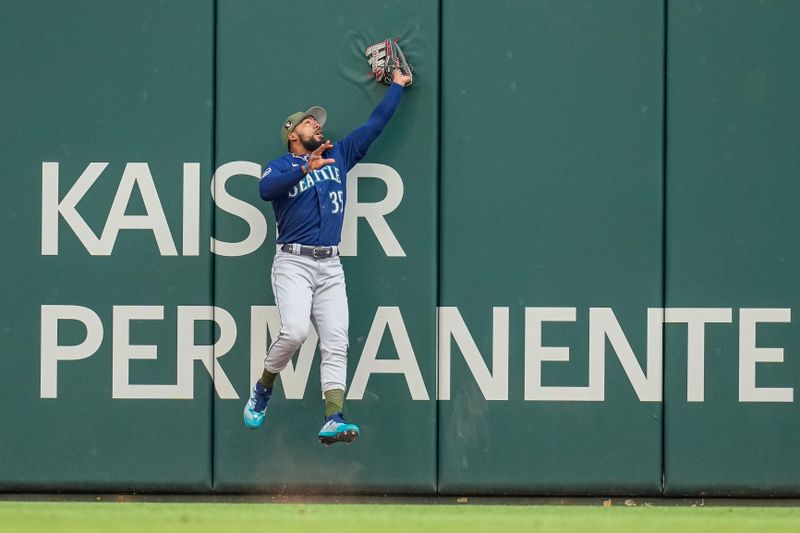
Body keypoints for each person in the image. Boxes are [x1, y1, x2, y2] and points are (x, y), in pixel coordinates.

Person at [244, 68, 413, 445]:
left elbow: (376, 124)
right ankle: (263, 387)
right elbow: (265, 189)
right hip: (294, 262)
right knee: (295, 332)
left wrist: (398, 86)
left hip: (330, 264)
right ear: (293, 134)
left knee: (336, 340)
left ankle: (333, 417)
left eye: (317, 123)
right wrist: (306, 166)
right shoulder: (283, 164)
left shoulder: (340, 155)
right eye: (309, 122)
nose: (317, 126)